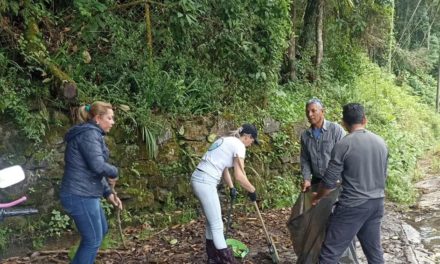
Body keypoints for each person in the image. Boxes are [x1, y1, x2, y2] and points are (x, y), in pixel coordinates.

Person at [311, 103, 388, 264]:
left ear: (344, 123)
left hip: (352, 206)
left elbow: (329, 182)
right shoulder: (381, 142)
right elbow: (382, 174)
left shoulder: (344, 144)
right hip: (377, 204)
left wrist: (317, 197)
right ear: (365, 120)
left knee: (329, 254)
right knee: (374, 253)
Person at [60, 101, 122, 264]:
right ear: (97, 118)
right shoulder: (89, 135)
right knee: (93, 239)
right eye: (110, 118)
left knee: (100, 231)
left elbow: (93, 170)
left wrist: (108, 193)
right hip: (79, 195)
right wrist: (115, 172)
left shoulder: (91, 133)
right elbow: (98, 166)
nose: (113, 122)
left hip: (85, 193)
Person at [191, 124, 259, 264]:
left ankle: (213, 258)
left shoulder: (226, 141)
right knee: (217, 225)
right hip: (206, 182)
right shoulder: (239, 146)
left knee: (211, 223)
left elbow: (224, 169)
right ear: (247, 137)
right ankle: (228, 261)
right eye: (252, 140)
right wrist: (252, 190)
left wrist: (231, 187)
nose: (251, 144)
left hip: (198, 179)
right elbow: (240, 176)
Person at [300, 98, 346, 192]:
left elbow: (344, 156)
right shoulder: (305, 136)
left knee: (334, 206)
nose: (310, 115)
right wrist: (307, 179)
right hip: (317, 181)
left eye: (313, 111)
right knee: (316, 205)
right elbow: (305, 159)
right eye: (307, 112)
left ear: (322, 111)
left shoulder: (336, 130)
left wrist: (339, 178)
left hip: (336, 181)